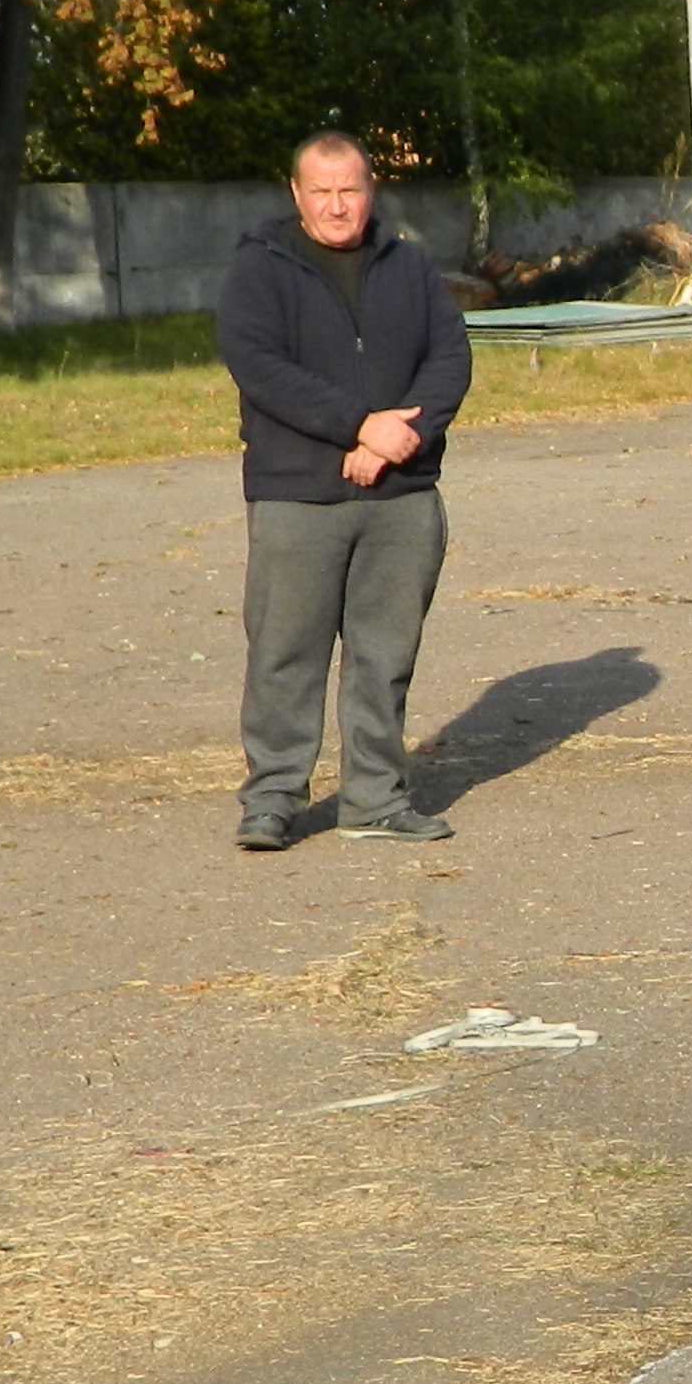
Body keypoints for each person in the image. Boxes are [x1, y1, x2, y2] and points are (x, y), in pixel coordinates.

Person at [216, 130, 474, 851]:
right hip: (298, 495)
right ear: (296, 195)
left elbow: (450, 358)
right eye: (321, 191)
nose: (337, 205)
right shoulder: (258, 270)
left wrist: (402, 439)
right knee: (284, 653)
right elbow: (259, 366)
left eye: (350, 189)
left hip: (403, 497)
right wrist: (358, 428)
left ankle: (375, 799)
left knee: (383, 657)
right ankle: (271, 799)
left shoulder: (412, 267)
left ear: (372, 190)